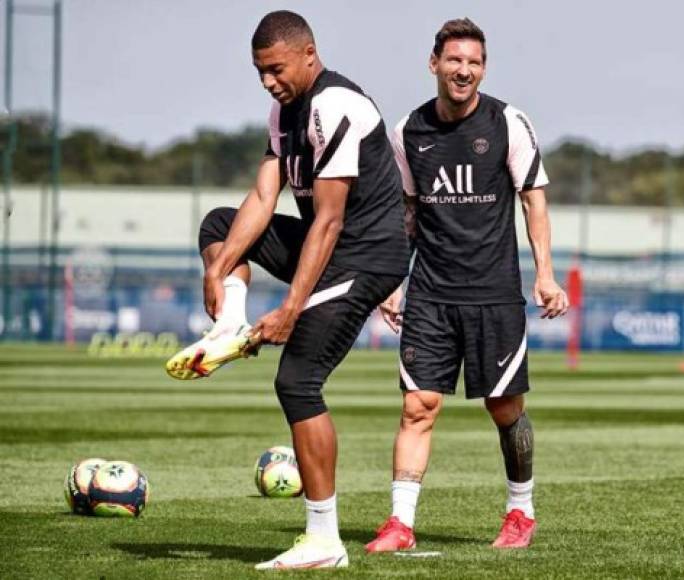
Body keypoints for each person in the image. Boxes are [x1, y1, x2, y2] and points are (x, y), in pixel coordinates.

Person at [165, 11, 410, 570]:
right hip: (326, 248)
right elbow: (261, 195)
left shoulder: (335, 105)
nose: (267, 81)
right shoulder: (283, 111)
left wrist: (291, 308)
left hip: (367, 254)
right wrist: (220, 266)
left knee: (298, 379)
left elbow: (328, 220)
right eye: (258, 72)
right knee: (217, 226)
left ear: (308, 53)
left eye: (275, 69)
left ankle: (325, 540)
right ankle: (230, 325)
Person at [365, 18, 568, 553]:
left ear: (483, 68)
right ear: (434, 64)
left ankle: (520, 513)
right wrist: (392, 278)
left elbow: (534, 199)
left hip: (495, 294)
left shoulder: (509, 122)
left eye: (474, 62)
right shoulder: (408, 130)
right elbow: (406, 211)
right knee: (418, 406)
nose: (464, 70)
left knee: (504, 409)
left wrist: (545, 274)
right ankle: (399, 524)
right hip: (430, 293)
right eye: (454, 60)